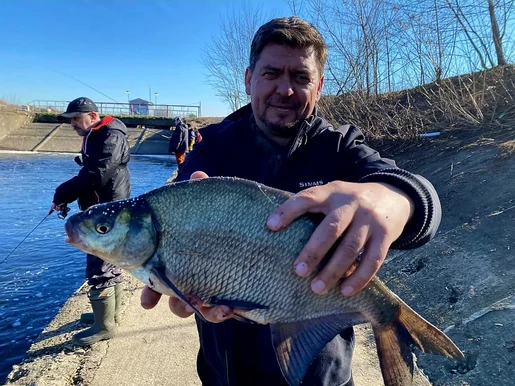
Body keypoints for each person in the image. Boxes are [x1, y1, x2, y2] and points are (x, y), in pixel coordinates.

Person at [141, 17, 441, 386]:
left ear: (319, 87)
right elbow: (178, 217)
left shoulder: (340, 147)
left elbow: (419, 196)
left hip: (321, 371)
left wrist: (394, 199)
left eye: (300, 78)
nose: (285, 89)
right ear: (249, 79)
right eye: (271, 74)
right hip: (227, 371)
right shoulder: (211, 146)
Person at [51, 97, 131, 347]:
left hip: (107, 211)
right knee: (110, 260)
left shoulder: (110, 135)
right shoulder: (98, 134)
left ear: (93, 116)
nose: (73, 124)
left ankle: (104, 326)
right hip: (103, 207)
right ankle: (110, 314)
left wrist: (63, 192)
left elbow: (97, 173)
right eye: (70, 120)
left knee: (100, 264)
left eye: (76, 118)